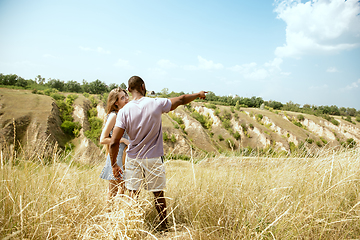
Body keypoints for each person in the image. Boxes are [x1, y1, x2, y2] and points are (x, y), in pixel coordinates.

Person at [109, 76, 206, 231]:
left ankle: (130, 226)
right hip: (153, 157)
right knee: (158, 195)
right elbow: (181, 99)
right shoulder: (156, 103)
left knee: (132, 194)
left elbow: (114, 141)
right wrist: (198, 94)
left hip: (133, 158)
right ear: (143, 86)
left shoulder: (124, 111)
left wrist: (114, 164)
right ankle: (164, 228)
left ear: (128, 90)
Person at [99, 87, 129, 202]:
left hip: (125, 156)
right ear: (116, 102)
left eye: (126, 96)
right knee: (113, 192)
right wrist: (122, 140)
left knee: (123, 190)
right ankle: (109, 217)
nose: (126, 99)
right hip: (116, 155)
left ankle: (117, 216)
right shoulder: (114, 116)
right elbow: (103, 139)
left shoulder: (123, 113)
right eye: (122, 98)